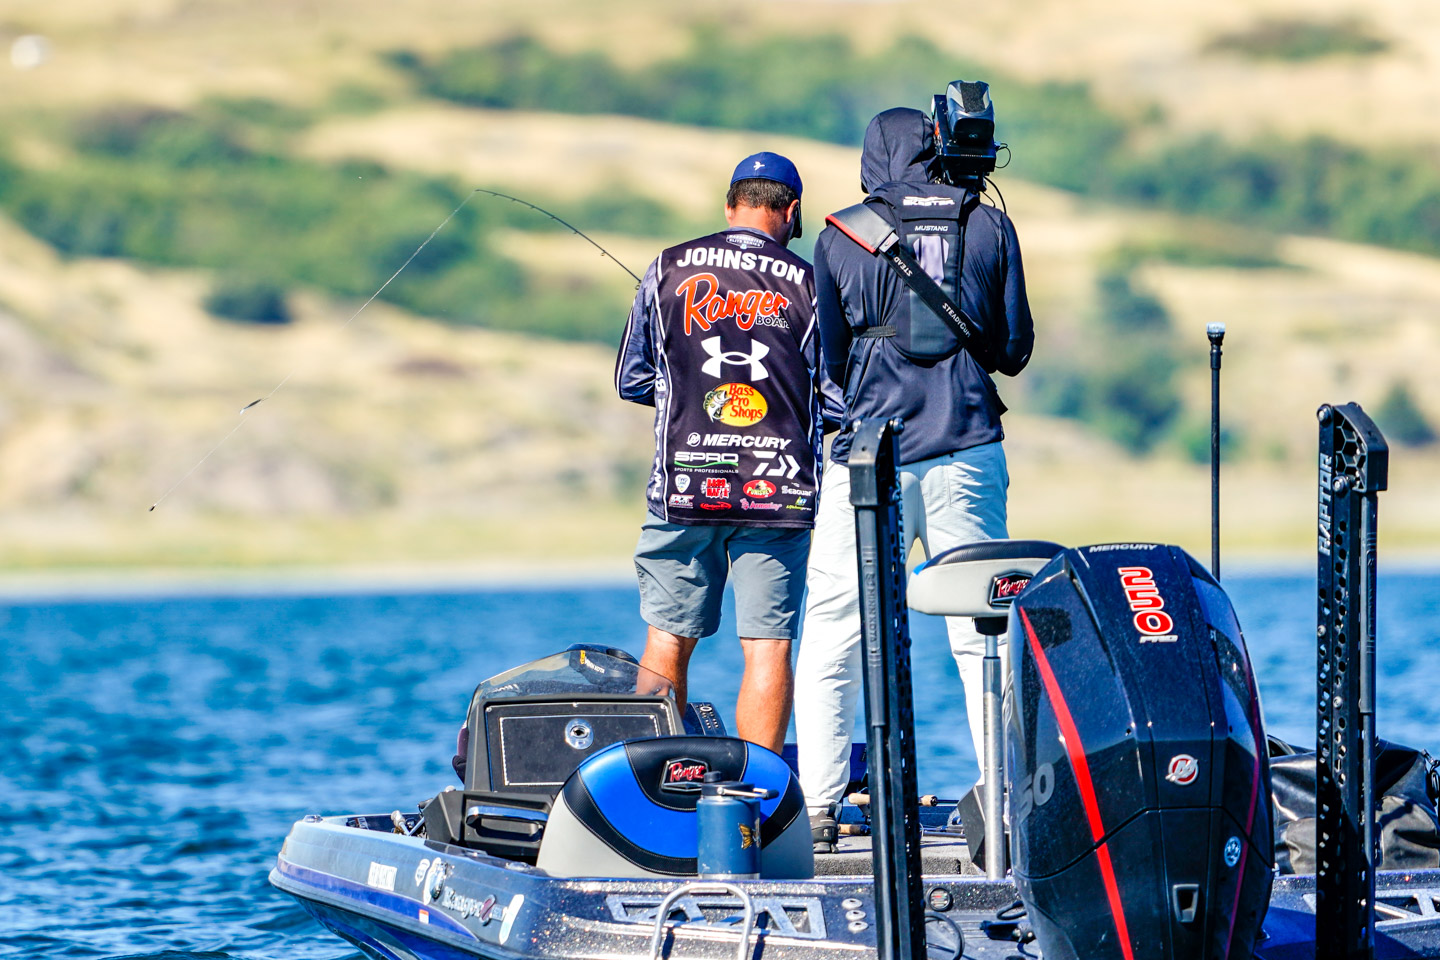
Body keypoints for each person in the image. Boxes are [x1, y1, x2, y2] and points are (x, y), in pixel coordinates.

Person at [794, 99, 1035, 848]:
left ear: (872, 161)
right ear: (938, 145)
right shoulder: (989, 224)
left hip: (871, 461)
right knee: (983, 631)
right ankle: (1006, 807)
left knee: (834, 631)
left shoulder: (838, 237)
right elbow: (1015, 350)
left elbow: (831, 363)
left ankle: (820, 809)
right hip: (968, 449)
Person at [615, 152, 839, 754]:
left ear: (730, 205)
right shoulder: (811, 283)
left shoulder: (666, 267)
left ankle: (655, 782)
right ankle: (761, 790)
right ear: (792, 211)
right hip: (779, 488)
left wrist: (691, 397)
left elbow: (631, 380)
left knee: (667, 635)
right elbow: (837, 399)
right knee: (768, 643)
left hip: (685, 485)